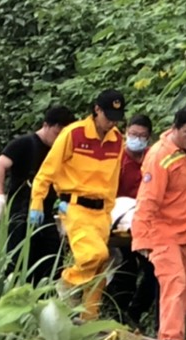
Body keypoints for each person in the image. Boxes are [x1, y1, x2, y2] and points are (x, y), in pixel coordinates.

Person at [27, 90, 127, 320]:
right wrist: (37, 203)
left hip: (101, 211)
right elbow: (47, 171)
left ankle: (87, 320)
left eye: (116, 117)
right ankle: (67, 283)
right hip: (76, 207)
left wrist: (109, 210)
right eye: (108, 115)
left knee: (99, 272)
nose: (112, 121)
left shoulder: (117, 139)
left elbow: (113, 178)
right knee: (95, 255)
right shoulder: (74, 133)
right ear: (97, 110)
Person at [131, 106, 186, 340]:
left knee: (185, 295)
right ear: (175, 128)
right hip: (164, 234)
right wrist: (142, 239)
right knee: (175, 285)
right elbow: (148, 200)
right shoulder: (160, 156)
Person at [0, 104, 73, 279]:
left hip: (46, 212)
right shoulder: (24, 144)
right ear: (46, 125)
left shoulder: (61, 151)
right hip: (21, 211)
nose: (58, 140)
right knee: (18, 263)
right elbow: (0, 165)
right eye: (57, 134)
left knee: (52, 263)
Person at [108, 114, 157, 326]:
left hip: (147, 223)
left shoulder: (153, 158)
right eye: (133, 134)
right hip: (120, 222)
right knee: (125, 270)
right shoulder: (117, 158)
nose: (136, 139)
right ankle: (116, 314)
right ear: (126, 131)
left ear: (149, 138)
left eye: (141, 136)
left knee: (154, 273)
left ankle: (134, 314)